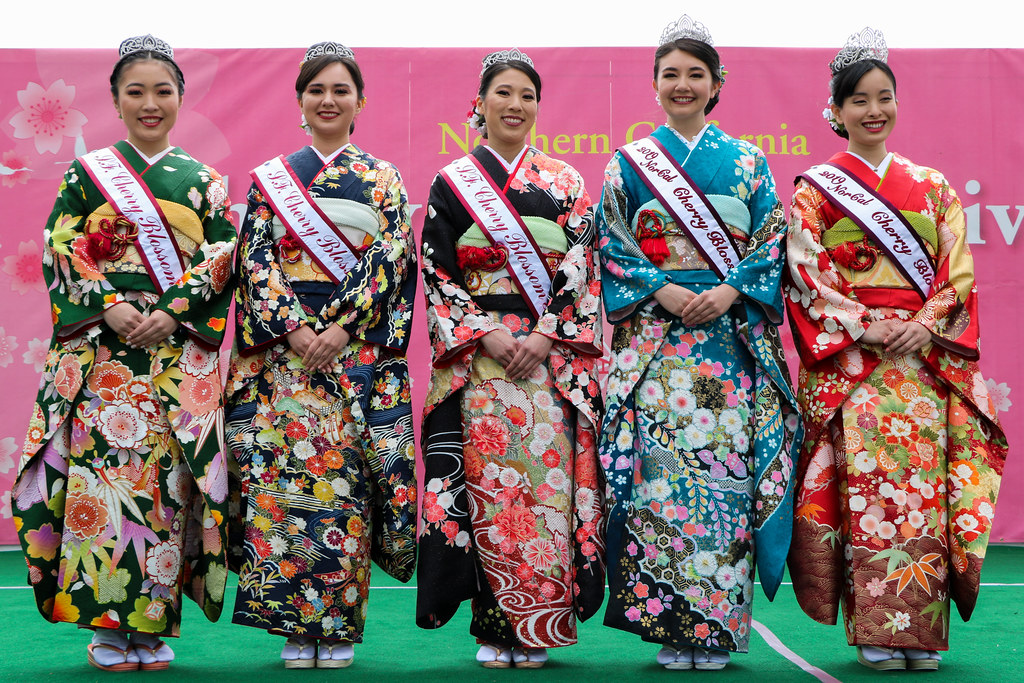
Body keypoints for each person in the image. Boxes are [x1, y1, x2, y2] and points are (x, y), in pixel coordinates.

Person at [10, 35, 237, 672]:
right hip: (104, 357)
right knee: (101, 485)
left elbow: (223, 254)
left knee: (165, 492)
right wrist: (108, 302)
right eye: (135, 91)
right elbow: (61, 243)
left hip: (170, 357)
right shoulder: (87, 174)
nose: (150, 103)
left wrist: (173, 310)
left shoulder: (204, 181)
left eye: (163, 91)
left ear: (181, 98)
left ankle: (152, 622)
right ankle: (107, 627)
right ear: (115, 100)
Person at [785, 27, 1007, 672]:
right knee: (867, 492)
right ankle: (877, 629)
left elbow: (957, 274)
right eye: (858, 100)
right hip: (859, 362)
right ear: (836, 110)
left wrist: (926, 325)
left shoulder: (932, 186)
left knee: (923, 493)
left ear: (897, 103)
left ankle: (922, 631)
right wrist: (863, 324)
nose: (873, 110)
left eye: (883, 97)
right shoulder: (814, 189)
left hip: (921, 360)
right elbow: (804, 270)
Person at [596, 15, 802, 672]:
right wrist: (659, 287)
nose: (682, 85)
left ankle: (715, 626)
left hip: (726, 346)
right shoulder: (629, 163)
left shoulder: (749, 162)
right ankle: (670, 622)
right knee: (659, 481)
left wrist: (733, 288)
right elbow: (611, 241)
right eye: (670, 74)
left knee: (725, 481)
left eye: (695, 74)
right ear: (654, 83)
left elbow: (771, 239)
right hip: (658, 346)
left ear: (716, 83)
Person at [223, 41, 417, 669]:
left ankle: (335, 626)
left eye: (340, 90)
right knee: (283, 486)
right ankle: (291, 623)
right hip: (285, 359)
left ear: (360, 101)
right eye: (317, 90)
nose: (328, 100)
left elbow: (393, 257)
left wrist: (338, 328)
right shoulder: (272, 178)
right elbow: (254, 259)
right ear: (300, 101)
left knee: (345, 488)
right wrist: (292, 329)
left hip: (352, 356)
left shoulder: (383, 178)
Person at [415, 48, 605, 670]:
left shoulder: (566, 182)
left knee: (545, 493)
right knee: (487, 494)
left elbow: (582, 266)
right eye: (503, 92)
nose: (515, 104)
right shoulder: (452, 182)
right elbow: (437, 269)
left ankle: (542, 624)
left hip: (546, 363)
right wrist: (482, 331)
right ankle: (495, 626)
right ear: (480, 103)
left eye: (527, 95)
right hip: (481, 361)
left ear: (538, 106)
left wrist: (548, 334)